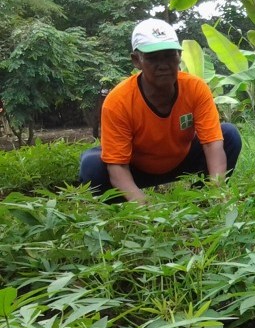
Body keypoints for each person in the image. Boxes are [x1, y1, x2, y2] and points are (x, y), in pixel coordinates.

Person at [79, 18, 242, 203]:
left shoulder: (195, 88)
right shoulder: (118, 102)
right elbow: (118, 166)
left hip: (181, 160)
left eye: (169, 55)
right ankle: (124, 217)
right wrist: (147, 210)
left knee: (229, 134)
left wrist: (219, 193)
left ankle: (204, 202)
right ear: (136, 60)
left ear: (179, 56)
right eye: (153, 58)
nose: (163, 64)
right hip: (137, 168)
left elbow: (212, 143)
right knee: (92, 165)